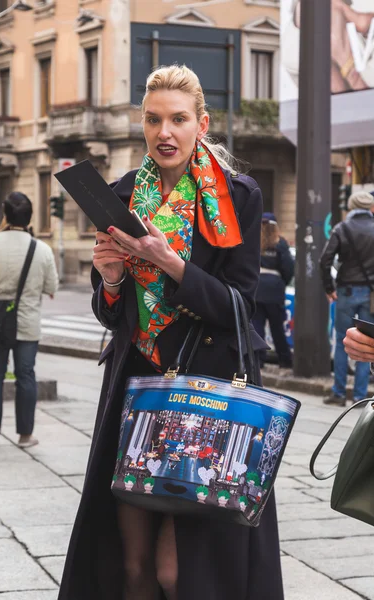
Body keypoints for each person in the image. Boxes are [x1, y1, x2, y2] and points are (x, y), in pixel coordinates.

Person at [58, 65, 283, 600]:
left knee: (178, 572)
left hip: (207, 395)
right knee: (129, 565)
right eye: (154, 119)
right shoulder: (118, 194)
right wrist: (111, 279)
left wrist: (170, 263)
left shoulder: (237, 196)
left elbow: (239, 305)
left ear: (200, 124)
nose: (166, 132)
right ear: (142, 124)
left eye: (179, 120)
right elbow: (114, 313)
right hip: (135, 389)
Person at [0, 192, 58, 449]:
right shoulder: (42, 248)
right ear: (30, 216)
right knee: (26, 376)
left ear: (5, 214)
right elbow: (51, 285)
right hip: (26, 322)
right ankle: (25, 435)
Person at [320, 190, 374, 406]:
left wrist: (329, 288)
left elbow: (325, 260)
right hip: (372, 294)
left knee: (344, 340)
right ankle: (361, 396)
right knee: (369, 344)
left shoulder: (342, 228)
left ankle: (338, 393)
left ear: (352, 207)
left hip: (345, 291)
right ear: (371, 207)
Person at [253, 212, 294, 369]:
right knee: (277, 327)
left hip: (256, 289)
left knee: (257, 328)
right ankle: (284, 360)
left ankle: (258, 360)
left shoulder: (254, 241)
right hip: (275, 291)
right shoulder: (280, 243)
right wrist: (280, 282)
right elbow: (288, 268)